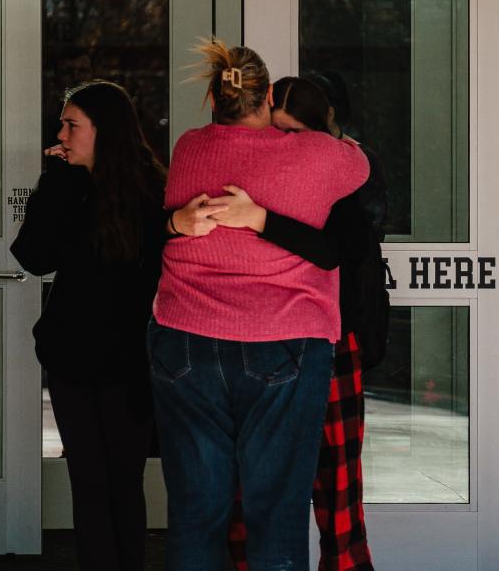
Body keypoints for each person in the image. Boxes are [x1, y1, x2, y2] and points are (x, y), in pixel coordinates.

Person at [149, 40, 369, 570]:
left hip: (184, 342)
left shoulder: (188, 148)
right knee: (276, 512)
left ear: (212, 97)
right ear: (268, 97)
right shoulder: (313, 154)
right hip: (281, 342)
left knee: (197, 513)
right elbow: (359, 162)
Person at [217, 76, 388, 571]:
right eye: (277, 131)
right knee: (253, 479)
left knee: (336, 486)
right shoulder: (257, 163)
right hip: (263, 335)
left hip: (330, 337)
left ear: (319, 130)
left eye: (293, 133)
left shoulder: (347, 168)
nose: (283, 144)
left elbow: (343, 250)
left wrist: (265, 219)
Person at [10, 80, 167, 571]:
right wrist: (55, 179)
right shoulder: (67, 183)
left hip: (131, 365)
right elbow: (33, 256)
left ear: (105, 130)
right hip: (73, 363)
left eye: (71, 124)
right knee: (88, 483)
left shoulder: (152, 191)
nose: (60, 134)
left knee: (122, 481)